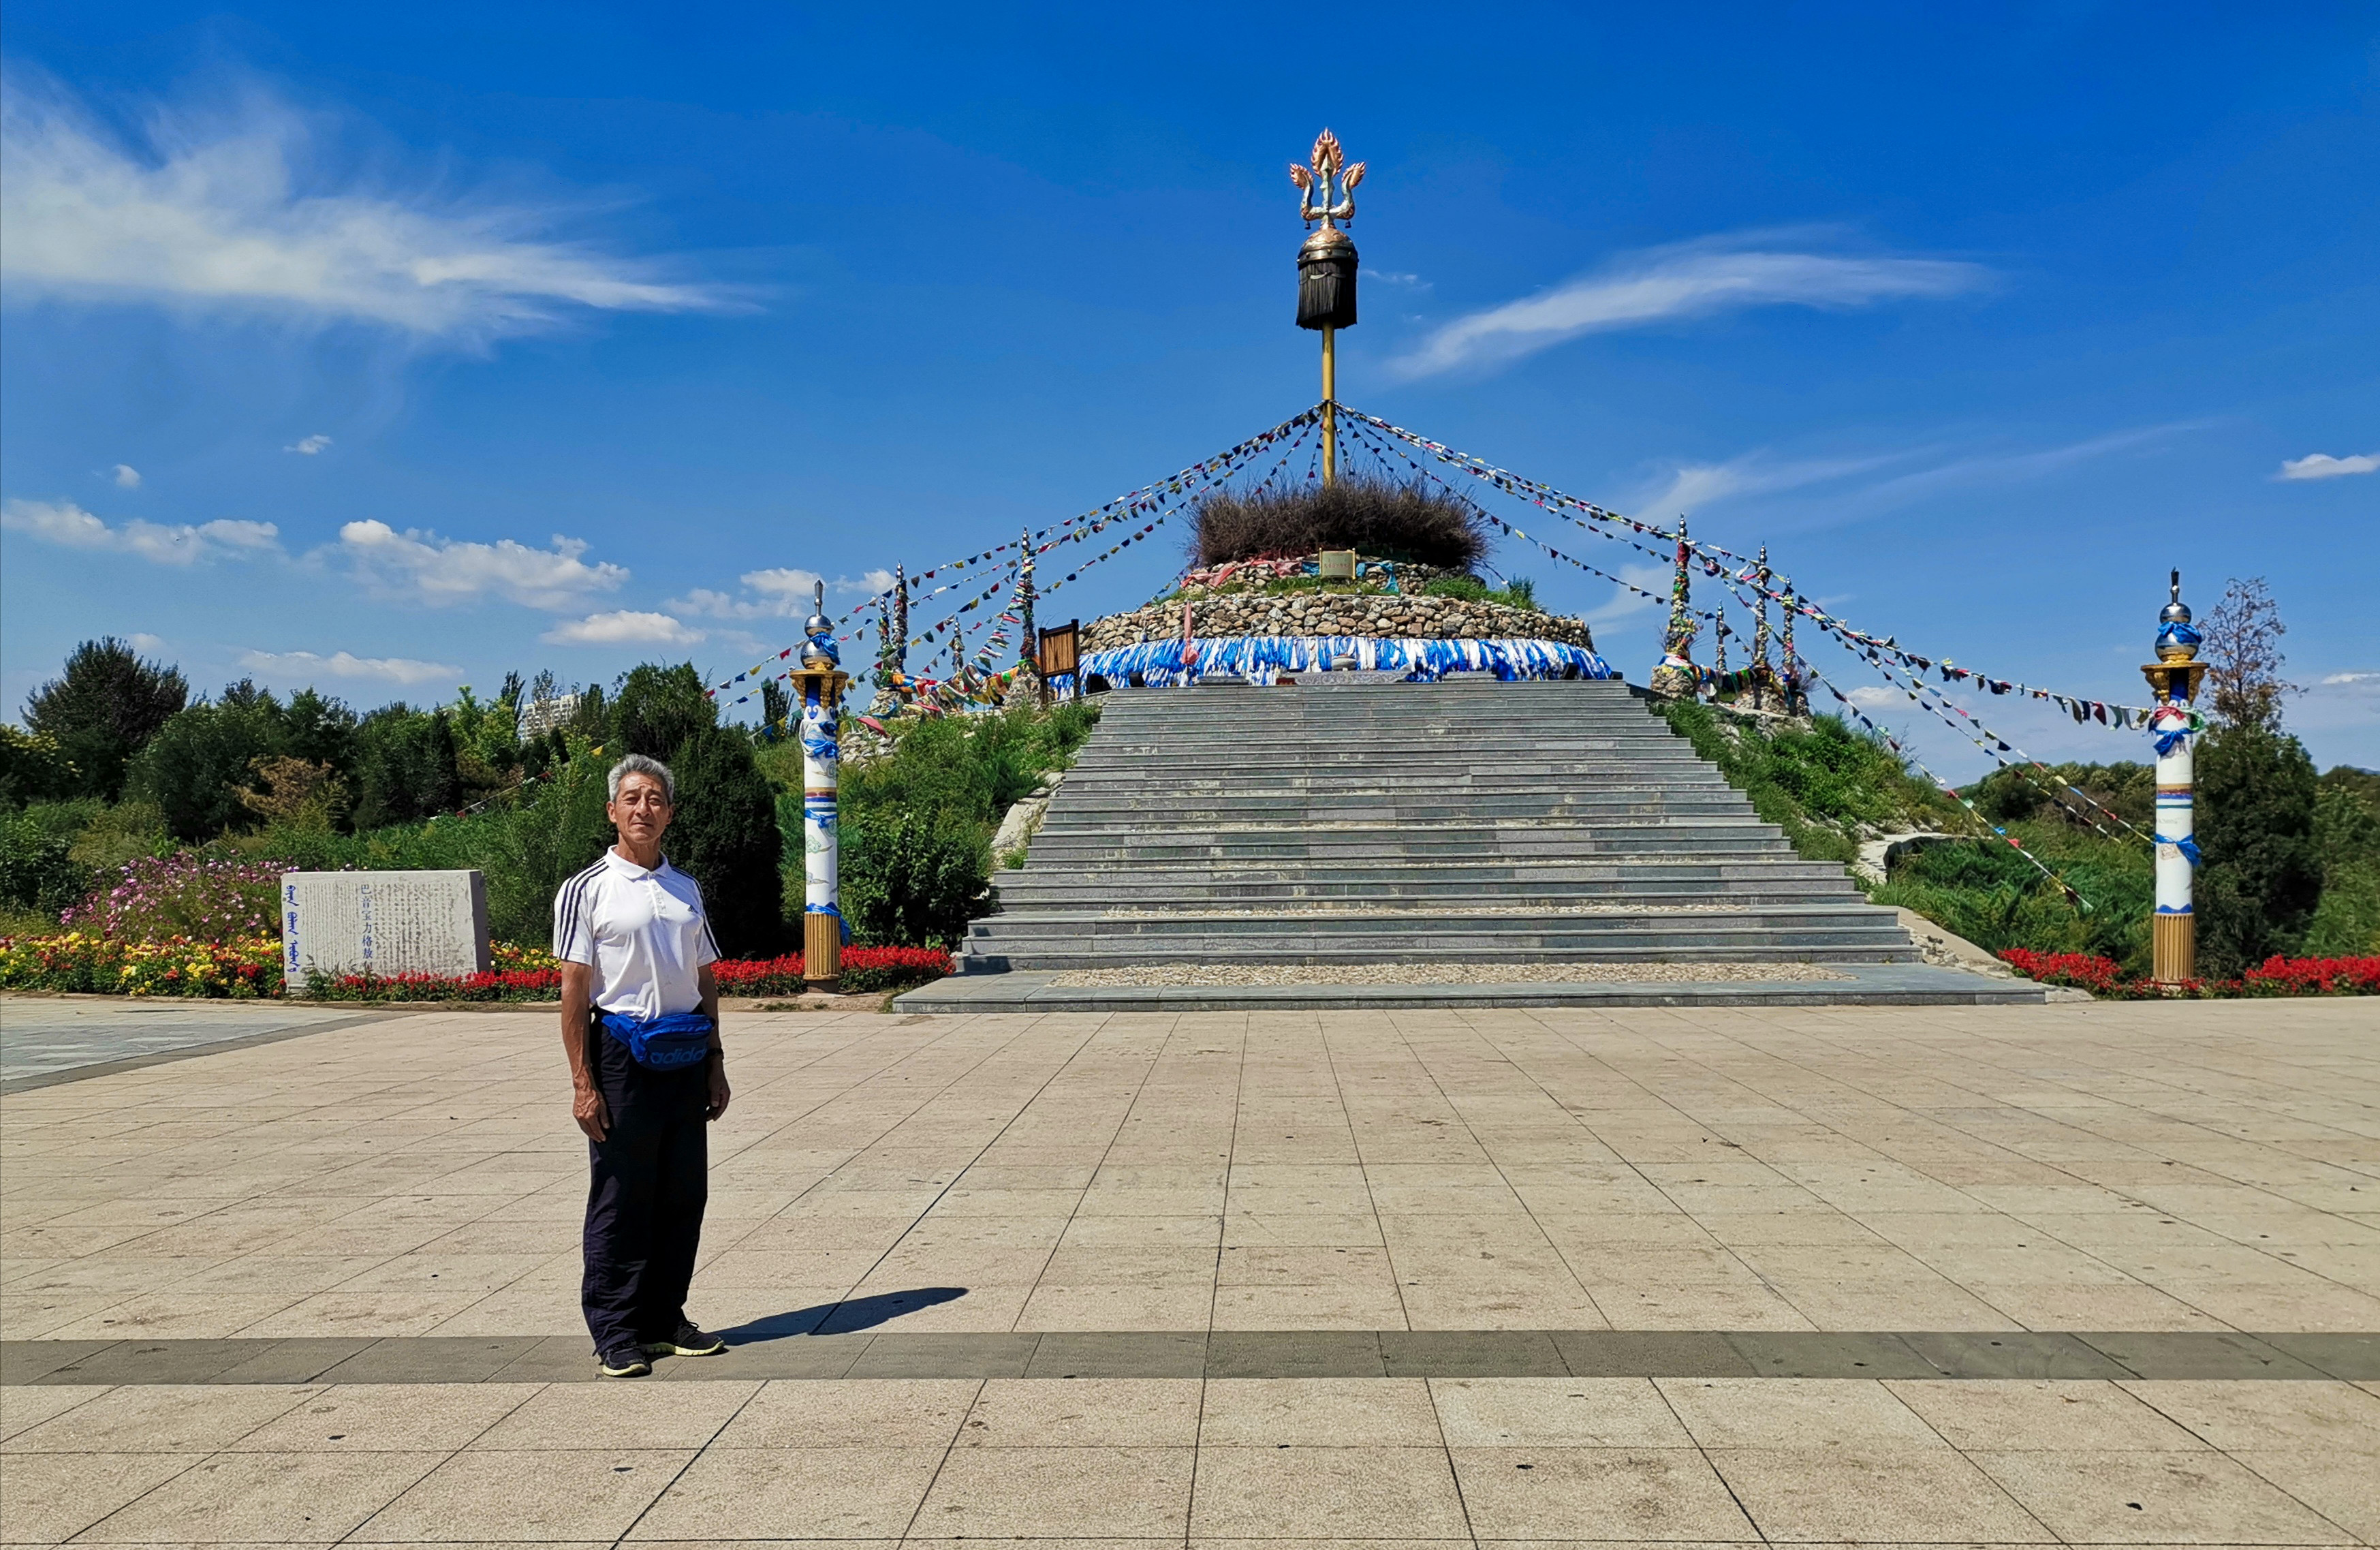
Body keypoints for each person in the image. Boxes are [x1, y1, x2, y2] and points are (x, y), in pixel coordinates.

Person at [555, 753, 732, 1377]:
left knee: (684, 1192)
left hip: (684, 1054)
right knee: (622, 1194)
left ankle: (665, 1316)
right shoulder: (587, 889)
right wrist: (583, 1082)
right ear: (612, 810)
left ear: (670, 813)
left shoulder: (685, 889)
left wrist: (715, 1060)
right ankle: (616, 1329)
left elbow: (705, 978)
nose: (643, 808)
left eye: (655, 798)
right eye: (631, 798)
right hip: (620, 1056)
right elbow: (574, 990)